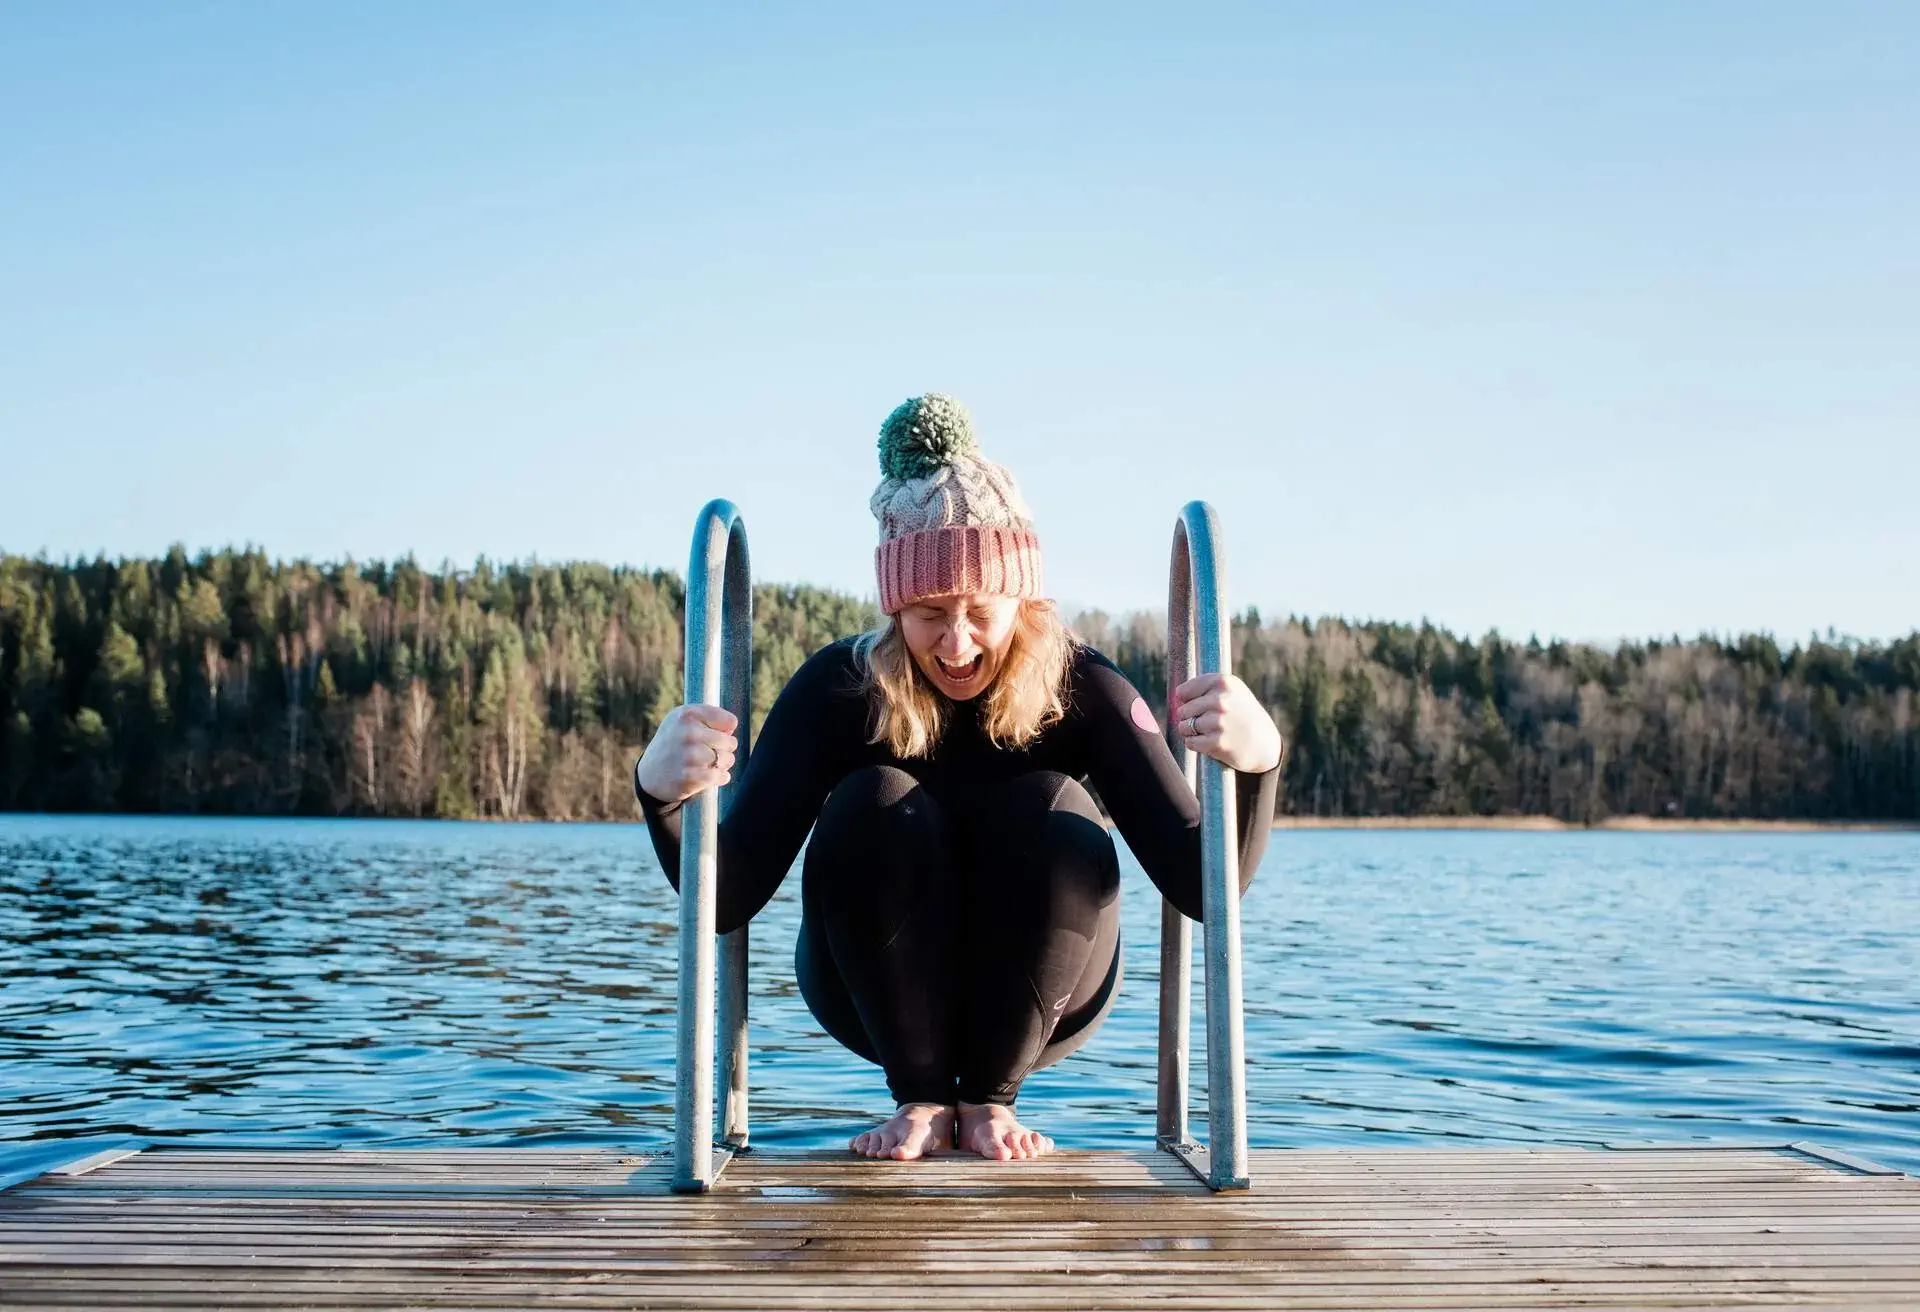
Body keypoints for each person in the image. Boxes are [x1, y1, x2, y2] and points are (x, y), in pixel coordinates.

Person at [634, 394, 1284, 1162]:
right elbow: (728, 899)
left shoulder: (1086, 688)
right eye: (929, 612)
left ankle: (988, 1103)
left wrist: (1259, 762)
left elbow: (1203, 885)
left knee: (1052, 809)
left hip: (1052, 988)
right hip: (868, 993)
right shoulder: (839, 690)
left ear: (1023, 597)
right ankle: (921, 1099)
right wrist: (661, 793)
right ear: (894, 607)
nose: (956, 641)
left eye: (981, 609)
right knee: (872, 800)